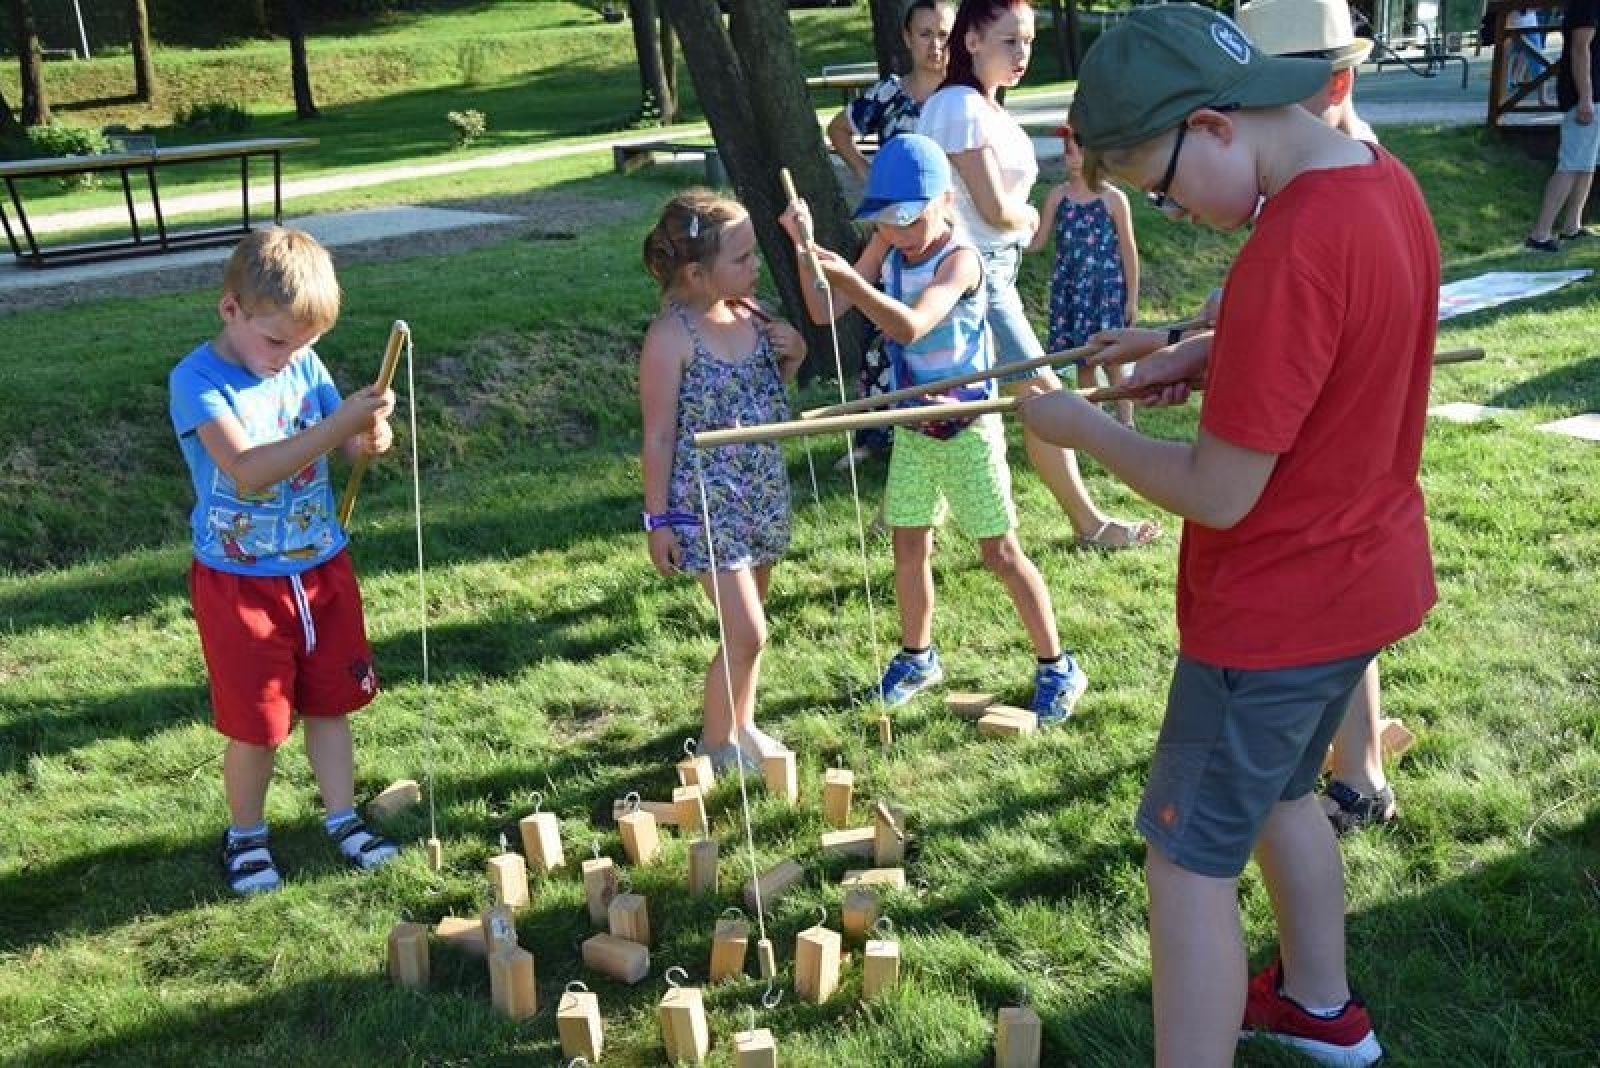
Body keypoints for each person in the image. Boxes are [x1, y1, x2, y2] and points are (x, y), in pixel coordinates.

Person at [1021, 7, 1439, 1066]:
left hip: (1269, 620)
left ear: (1209, 124)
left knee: (1184, 862)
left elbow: (1216, 491)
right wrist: (1192, 348)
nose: (1167, 214)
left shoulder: (1286, 249)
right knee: (1282, 797)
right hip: (1357, 590)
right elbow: (1329, 345)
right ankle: (1318, 1006)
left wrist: (1081, 430)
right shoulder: (1376, 186)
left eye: (1157, 190)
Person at [781, 135, 1088, 723]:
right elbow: (823, 311)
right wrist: (804, 245)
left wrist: (852, 283)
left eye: (907, 219)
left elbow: (912, 327)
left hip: (968, 425)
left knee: (999, 552)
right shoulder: (885, 248)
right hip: (917, 428)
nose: (896, 234)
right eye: (885, 221)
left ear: (944, 201)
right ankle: (918, 656)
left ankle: (1057, 665)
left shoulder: (959, 259)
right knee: (908, 543)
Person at [169, 227, 402, 897]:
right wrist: (336, 428)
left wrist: (370, 433)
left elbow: (353, 448)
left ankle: (341, 818)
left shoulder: (300, 363)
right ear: (231, 309)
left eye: (307, 344)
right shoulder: (198, 380)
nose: (291, 357)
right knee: (259, 724)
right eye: (278, 341)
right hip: (241, 585)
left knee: (332, 703)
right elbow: (247, 471)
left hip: (320, 571)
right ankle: (245, 836)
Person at [917, 0, 1160, 550]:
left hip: (994, 273)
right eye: (1009, 41)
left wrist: (1017, 225)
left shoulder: (985, 106)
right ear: (972, 41)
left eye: (1027, 41)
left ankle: (904, 522)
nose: (1023, 53)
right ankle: (1091, 523)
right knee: (1045, 394)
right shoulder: (959, 105)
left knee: (994, 401)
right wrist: (1028, 218)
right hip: (969, 276)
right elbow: (995, 206)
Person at [639, 190, 806, 774]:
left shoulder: (752, 316)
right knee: (749, 631)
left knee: (749, 627)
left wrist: (795, 352)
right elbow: (658, 437)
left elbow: (770, 393)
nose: (755, 266)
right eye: (742, 258)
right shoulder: (672, 336)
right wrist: (657, 521)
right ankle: (714, 746)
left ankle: (742, 724)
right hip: (705, 507)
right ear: (696, 273)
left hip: (760, 495)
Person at [826, 0, 956, 472]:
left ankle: (948, 420)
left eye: (943, 33)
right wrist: (868, 176)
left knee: (943, 326)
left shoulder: (960, 96)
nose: (935, 44)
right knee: (884, 326)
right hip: (895, 232)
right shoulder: (889, 94)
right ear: (907, 38)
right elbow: (838, 128)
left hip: (947, 233)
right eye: (925, 33)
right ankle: (875, 436)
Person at [1026, 123, 1140, 428]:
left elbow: (1129, 250)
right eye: (1067, 153)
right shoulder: (1057, 196)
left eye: (1077, 152)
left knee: (1113, 357)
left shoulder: (1113, 199)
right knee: (1084, 359)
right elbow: (1038, 242)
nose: (1071, 159)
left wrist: (1132, 298)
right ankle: (1095, 422)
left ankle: (1126, 422)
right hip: (1071, 291)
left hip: (1106, 291)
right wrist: (1010, 238)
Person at [1527, 0, 1600, 251]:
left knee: (1587, 164)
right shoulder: (1587, 5)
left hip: (1594, 95)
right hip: (1584, 95)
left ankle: (1572, 226)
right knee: (1571, 164)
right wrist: (1586, 98)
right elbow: (1580, 49)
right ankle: (1540, 234)